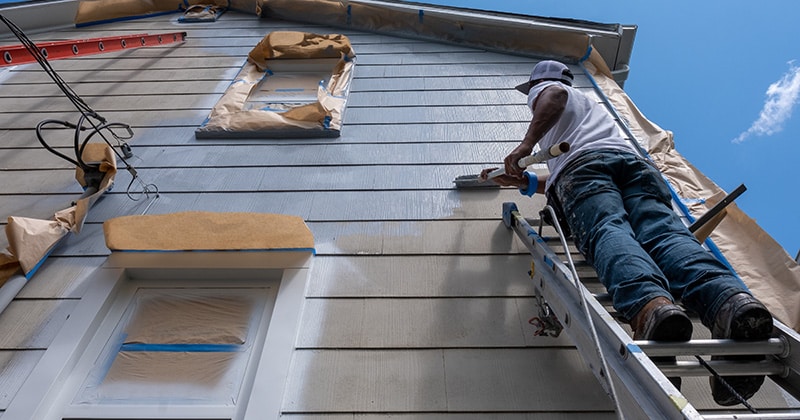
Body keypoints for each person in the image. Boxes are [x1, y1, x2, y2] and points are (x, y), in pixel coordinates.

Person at [481, 60, 774, 406]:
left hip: (587, 171)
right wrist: (527, 180)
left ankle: (652, 308)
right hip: (633, 167)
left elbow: (555, 98)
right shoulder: (590, 109)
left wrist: (524, 146)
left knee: (607, 230)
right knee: (666, 236)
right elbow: (582, 156)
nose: (534, 98)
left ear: (537, 86)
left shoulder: (550, 92)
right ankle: (729, 302)